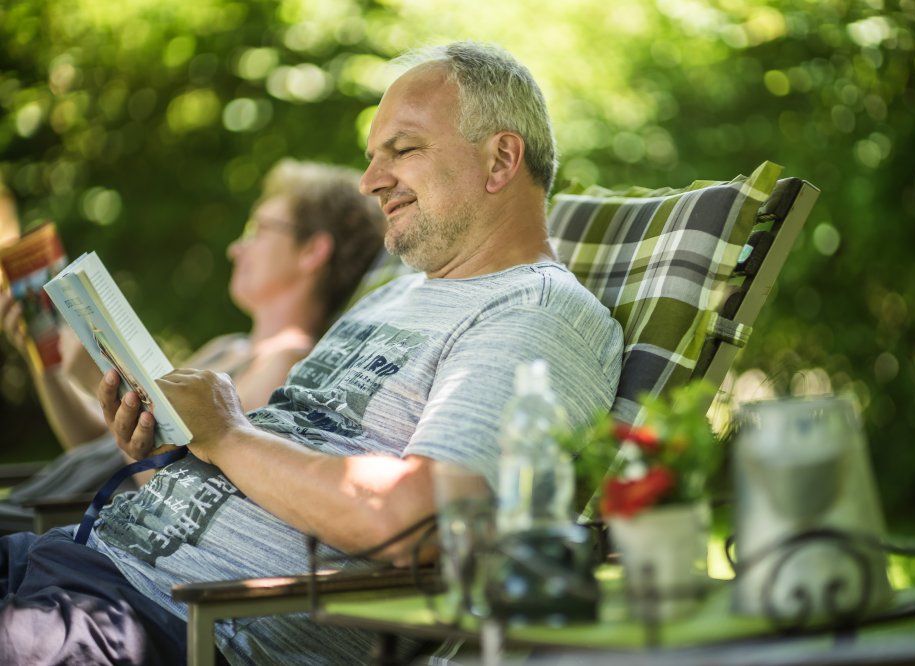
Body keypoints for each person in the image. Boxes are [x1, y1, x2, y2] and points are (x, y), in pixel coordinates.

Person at [0, 42, 624, 665]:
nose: (371, 181)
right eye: (372, 157)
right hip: (77, 557)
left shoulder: (535, 313)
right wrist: (178, 442)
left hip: (163, 624)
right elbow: (286, 463)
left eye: (403, 149)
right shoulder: (390, 298)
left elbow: (423, 518)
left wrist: (224, 433)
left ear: (501, 159)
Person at [0, 159, 386, 532]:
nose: (237, 248)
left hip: (73, 525)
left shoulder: (287, 361)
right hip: (42, 505)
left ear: (312, 251)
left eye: (259, 229)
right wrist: (47, 365)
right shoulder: (227, 350)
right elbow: (95, 448)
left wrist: (106, 372)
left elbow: (175, 486)